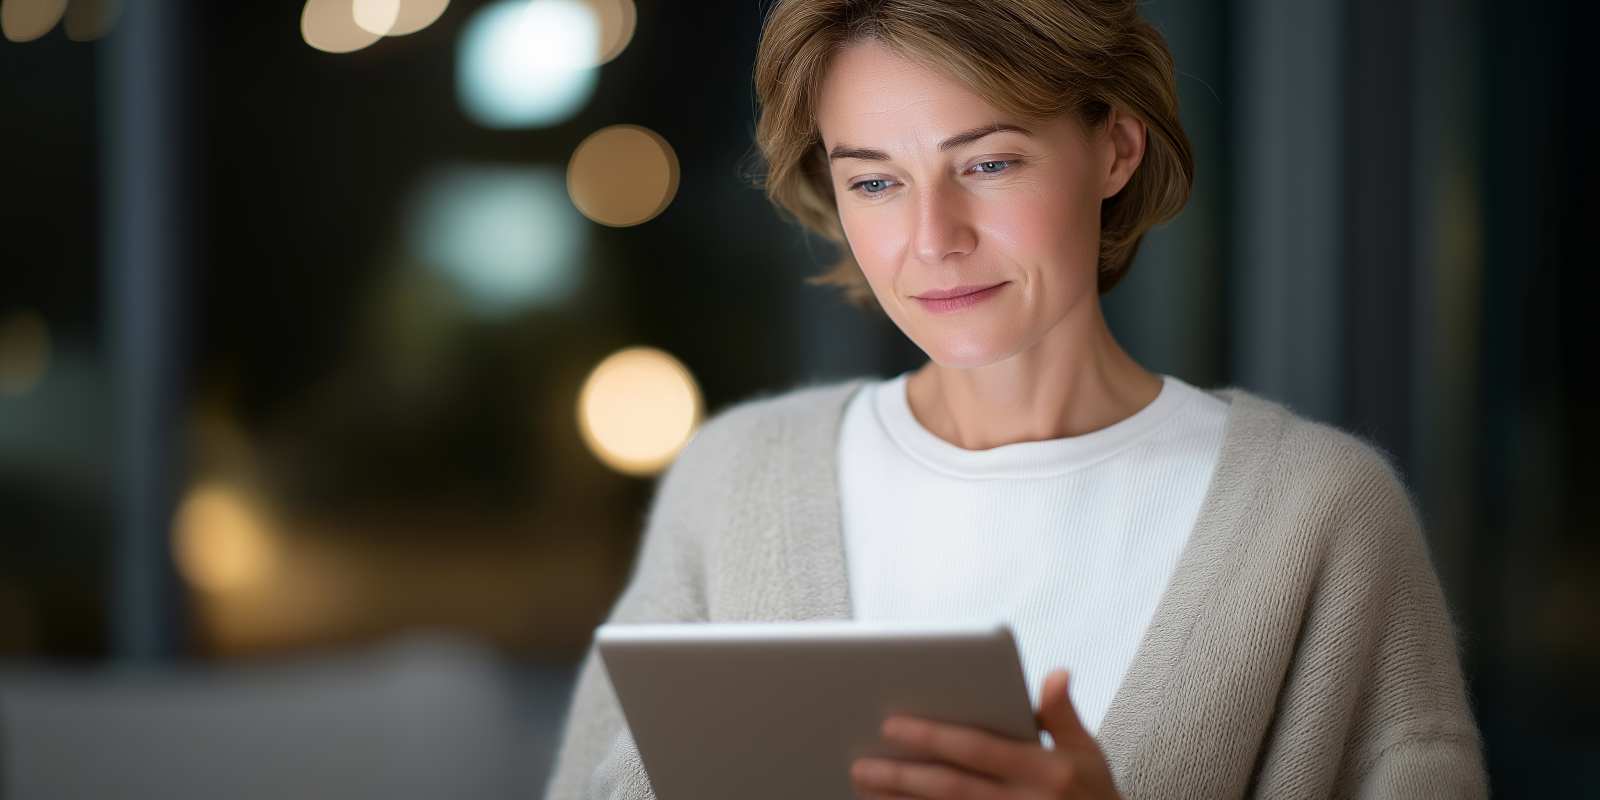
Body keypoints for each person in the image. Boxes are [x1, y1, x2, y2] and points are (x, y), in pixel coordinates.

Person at [545, 1, 1488, 797]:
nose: (932, 237)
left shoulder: (1318, 513)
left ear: (1116, 148)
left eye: (989, 163)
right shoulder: (736, 477)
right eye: (875, 181)